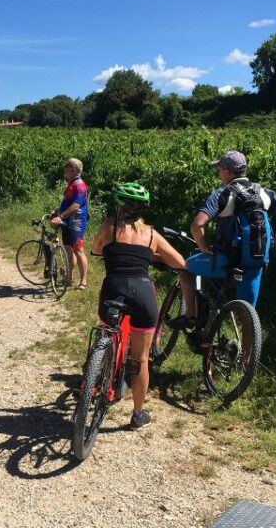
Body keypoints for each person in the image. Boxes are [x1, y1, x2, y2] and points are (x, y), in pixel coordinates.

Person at [169, 151, 276, 346]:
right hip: (254, 261)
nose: (219, 174)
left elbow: (197, 226)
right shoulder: (263, 193)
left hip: (225, 260)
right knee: (248, 313)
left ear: (227, 171)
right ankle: (246, 359)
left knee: (184, 268)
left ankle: (191, 316)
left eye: (220, 170)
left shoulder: (222, 194)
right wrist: (272, 243)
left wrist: (204, 247)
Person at [91, 182, 186, 429]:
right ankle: (137, 414)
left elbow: (96, 249)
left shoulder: (110, 226)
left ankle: (97, 378)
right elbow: (180, 262)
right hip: (143, 294)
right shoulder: (152, 235)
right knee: (141, 359)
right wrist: (151, 255)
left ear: (119, 207)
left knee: (107, 334)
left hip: (113, 289)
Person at [50, 158, 89, 290]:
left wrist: (60, 216)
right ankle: (69, 278)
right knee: (68, 250)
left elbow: (76, 205)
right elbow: (69, 203)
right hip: (67, 221)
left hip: (76, 223)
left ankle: (83, 282)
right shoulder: (72, 184)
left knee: (78, 250)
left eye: (67, 166)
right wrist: (57, 211)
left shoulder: (79, 185)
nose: (64, 168)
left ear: (73, 169)